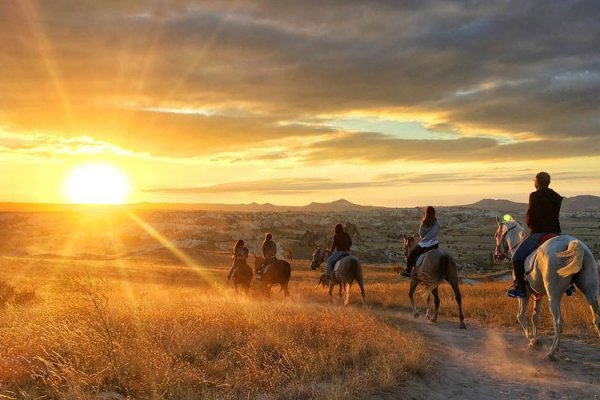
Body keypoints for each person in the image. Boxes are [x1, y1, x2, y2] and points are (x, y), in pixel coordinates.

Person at [507, 172, 564, 298]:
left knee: (517, 258)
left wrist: (529, 224)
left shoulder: (534, 195)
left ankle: (520, 289)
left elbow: (532, 216)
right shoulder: (557, 197)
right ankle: (569, 285)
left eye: (534, 180)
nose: (534, 182)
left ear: (537, 182)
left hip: (539, 233)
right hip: (556, 233)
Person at [401, 206, 440, 277]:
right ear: (434, 213)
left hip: (425, 245)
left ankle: (408, 272)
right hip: (435, 245)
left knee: (411, 256)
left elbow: (421, 235)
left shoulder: (424, 223)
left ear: (426, 213)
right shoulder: (437, 223)